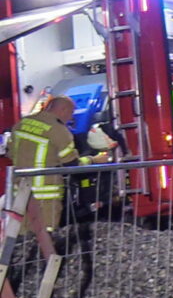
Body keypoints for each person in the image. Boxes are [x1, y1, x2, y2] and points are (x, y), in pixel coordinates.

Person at [9, 96, 108, 232]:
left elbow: (10, 153)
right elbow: (72, 165)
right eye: (71, 113)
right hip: (45, 195)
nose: (71, 118)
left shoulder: (21, 124)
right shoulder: (58, 130)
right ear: (63, 109)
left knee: (22, 235)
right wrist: (94, 160)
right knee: (46, 235)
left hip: (20, 192)